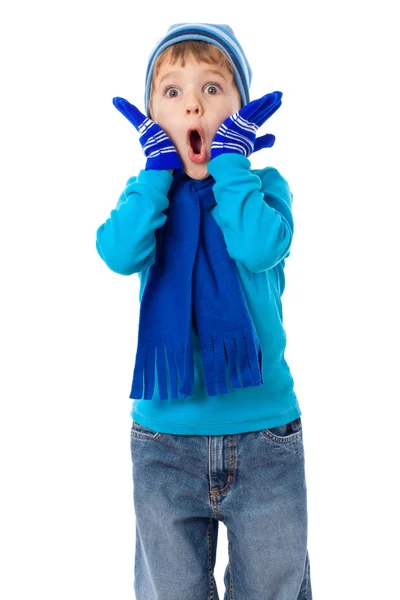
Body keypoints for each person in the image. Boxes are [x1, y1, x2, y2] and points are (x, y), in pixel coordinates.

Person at [96, 22, 312, 600]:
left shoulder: (264, 188)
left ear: (242, 111)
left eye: (213, 89)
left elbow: (259, 246)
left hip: (265, 436)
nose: (192, 102)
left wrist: (233, 166)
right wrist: (155, 176)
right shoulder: (147, 194)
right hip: (165, 440)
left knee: (274, 588)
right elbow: (117, 252)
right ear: (152, 120)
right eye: (172, 93)